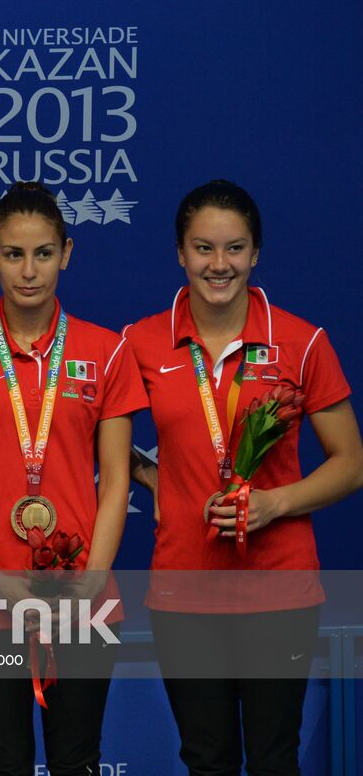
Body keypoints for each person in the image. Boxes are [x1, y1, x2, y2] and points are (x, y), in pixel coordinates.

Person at [124, 179, 363, 775]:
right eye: (203, 248)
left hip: (278, 585)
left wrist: (274, 504)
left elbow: (350, 463)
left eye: (234, 248)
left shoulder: (302, 342)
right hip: (184, 585)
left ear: (255, 253)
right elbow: (95, 441)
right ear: (180, 253)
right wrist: (159, 483)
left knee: (274, 757)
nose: (219, 264)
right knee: (206, 758)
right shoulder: (140, 342)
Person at [0, 181, 146, 775]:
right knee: (3, 761)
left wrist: (93, 579)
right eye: (13, 254)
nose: (29, 271)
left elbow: (116, 479)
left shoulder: (107, 351)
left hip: (83, 595)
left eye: (43, 253)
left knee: (77, 761)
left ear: (67, 252)